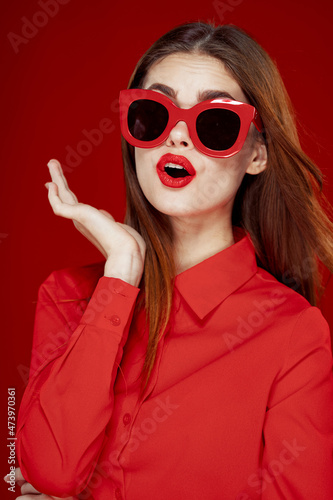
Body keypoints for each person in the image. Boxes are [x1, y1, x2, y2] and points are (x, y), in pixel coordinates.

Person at [8, 21, 333, 500]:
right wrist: (120, 274)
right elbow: (48, 471)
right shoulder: (67, 296)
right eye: (153, 115)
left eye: (215, 123)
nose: (177, 137)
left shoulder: (292, 335)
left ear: (257, 153)